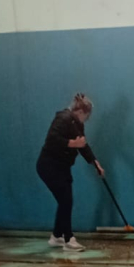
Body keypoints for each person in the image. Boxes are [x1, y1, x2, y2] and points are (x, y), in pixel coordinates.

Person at [36, 93, 104, 252]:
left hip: (62, 167)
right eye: (87, 116)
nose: (87, 119)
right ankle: (69, 239)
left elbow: (83, 145)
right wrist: (72, 143)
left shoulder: (77, 124)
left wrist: (95, 163)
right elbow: (52, 139)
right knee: (66, 200)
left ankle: (56, 236)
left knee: (65, 201)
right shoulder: (63, 118)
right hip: (49, 166)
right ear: (80, 112)